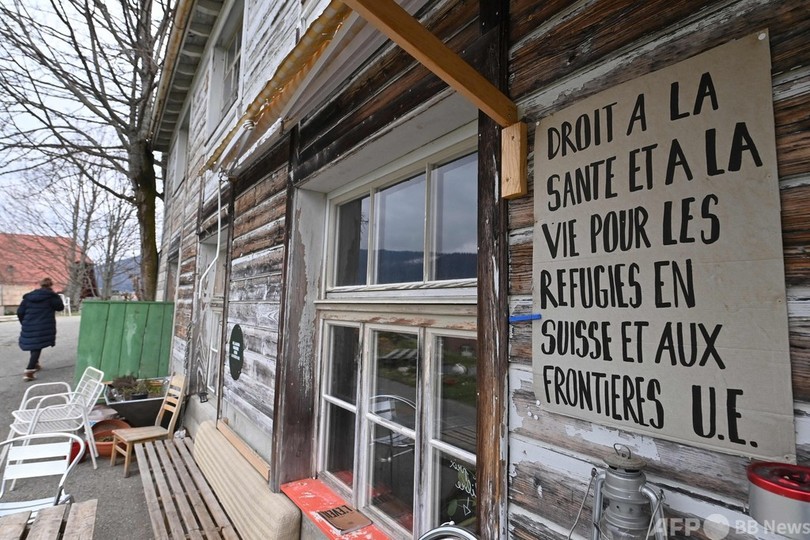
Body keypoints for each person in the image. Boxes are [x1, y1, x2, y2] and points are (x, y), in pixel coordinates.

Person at [17, 277, 65, 381]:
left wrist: (23, 322)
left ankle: (35, 363)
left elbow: (20, 312)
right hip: (43, 324)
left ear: (40, 285)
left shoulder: (29, 297)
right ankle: (29, 371)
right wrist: (56, 296)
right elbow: (60, 307)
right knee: (37, 346)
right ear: (51, 285)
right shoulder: (51, 296)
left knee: (35, 345)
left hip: (29, 323)